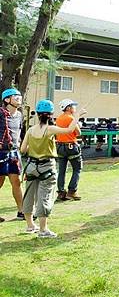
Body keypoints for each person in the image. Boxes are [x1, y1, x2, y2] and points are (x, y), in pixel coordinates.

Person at [20, 99, 85, 237]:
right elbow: (69, 130)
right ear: (51, 114)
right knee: (45, 196)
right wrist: (77, 116)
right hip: (46, 166)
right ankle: (43, 230)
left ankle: (30, 225)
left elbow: (23, 149)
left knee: (29, 195)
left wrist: (36, 146)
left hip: (31, 166)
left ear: (37, 114)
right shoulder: (50, 129)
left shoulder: (31, 130)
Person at [0, 88, 25, 222]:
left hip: (14, 153)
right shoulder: (0, 113)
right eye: (16, 97)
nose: (19, 99)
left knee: (16, 181)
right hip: (0, 152)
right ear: (7, 100)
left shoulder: (20, 115)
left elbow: (20, 132)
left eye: (20, 97)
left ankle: (21, 211)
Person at [56, 99, 83, 201]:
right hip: (71, 146)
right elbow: (78, 132)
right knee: (77, 169)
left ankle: (61, 192)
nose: (74, 108)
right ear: (68, 108)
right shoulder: (71, 118)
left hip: (60, 147)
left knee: (61, 170)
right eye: (73, 106)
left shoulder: (58, 119)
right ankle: (72, 191)